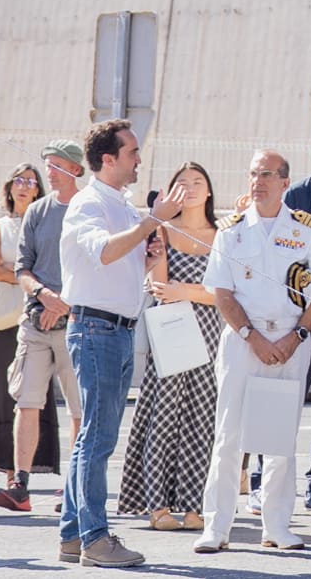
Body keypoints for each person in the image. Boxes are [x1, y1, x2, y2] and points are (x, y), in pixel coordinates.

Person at [61, 118, 195, 569]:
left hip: (116, 328)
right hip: (97, 330)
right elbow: (102, 252)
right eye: (132, 152)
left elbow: (116, 268)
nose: (139, 159)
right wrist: (153, 221)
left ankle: (73, 534)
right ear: (108, 159)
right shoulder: (88, 204)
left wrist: (146, 255)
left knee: (93, 438)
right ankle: (95, 538)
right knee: (97, 438)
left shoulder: (120, 204)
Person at [198, 147, 311, 554]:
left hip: (291, 342)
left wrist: (295, 337)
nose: (259, 182)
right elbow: (221, 292)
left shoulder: (306, 230)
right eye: (254, 174)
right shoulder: (231, 230)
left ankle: (277, 526)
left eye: (268, 174)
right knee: (229, 436)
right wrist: (253, 337)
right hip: (243, 342)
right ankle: (216, 527)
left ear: (285, 183)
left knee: (281, 439)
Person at [119, 161, 226, 530]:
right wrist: (193, 293)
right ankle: (157, 508)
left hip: (212, 335)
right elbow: (159, 288)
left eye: (198, 181)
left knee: (202, 419)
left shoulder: (223, 233)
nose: (191, 188)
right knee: (162, 416)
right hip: (173, 330)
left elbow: (228, 295)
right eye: (182, 182)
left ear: (209, 191)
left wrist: (188, 291)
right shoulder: (162, 231)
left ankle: (195, 505)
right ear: (170, 191)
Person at [0, 142, 90, 516]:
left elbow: (96, 266)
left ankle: (74, 486)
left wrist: (63, 302)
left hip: (77, 322)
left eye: (58, 166)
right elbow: (22, 269)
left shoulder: (89, 211)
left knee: (78, 408)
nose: (49, 172)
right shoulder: (36, 211)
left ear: (77, 170)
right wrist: (44, 296)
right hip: (36, 320)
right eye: (47, 165)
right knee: (27, 401)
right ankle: (19, 482)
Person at [0, 168, 55, 492]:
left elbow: (40, 267)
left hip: (33, 318)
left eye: (31, 181)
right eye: (18, 179)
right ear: (10, 186)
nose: (24, 186)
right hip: (3, 318)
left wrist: (17, 272)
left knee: (27, 397)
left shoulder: (44, 223)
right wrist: (28, 274)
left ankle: (15, 469)